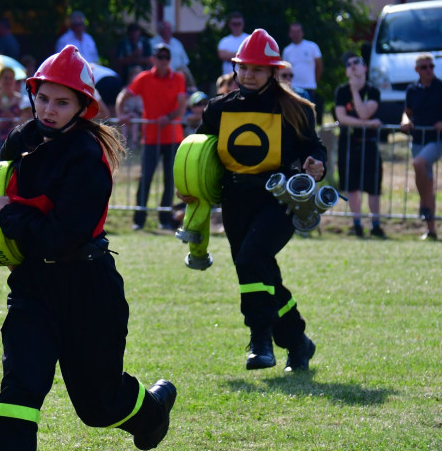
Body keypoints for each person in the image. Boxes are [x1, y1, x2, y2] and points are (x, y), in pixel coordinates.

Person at [0, 45, 177, 451]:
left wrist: (6, 215)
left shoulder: (87, 157)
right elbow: (3, 191)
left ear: (83, 106)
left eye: (61, 102)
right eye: (42, 98)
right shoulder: (23, 140)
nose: (48, 110)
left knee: (97, 405)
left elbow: (63, 234)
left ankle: (148, 412)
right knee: (20, 387)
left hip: (87, 289)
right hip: (33, 290)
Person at [195, 28, 325, 372]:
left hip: (277, 199)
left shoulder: (296, 108)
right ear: (236, 69)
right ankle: (298, 342)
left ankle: (260, 340)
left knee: (252, 257)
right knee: (261, 271)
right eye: (243, 68)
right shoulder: (218, 108)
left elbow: (314, 146)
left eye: (257, 69)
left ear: (272, 71)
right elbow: (197, 155)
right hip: (235, 200)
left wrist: (317, 164)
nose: (249, 75)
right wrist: (189, 185)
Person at [116, 42, 187, 230]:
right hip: (151, 138)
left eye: (166, 57)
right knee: (145, 178)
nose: (163, 61)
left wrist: (169, 117)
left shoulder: (179, 78)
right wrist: (121, 113)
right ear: (153, 59)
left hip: (173, 138)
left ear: (169, 60)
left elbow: (182, 106)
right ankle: (138, 220)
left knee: (170, 181)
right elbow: (124, 95)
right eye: (159, 57)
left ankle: (165, 220)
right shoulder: (144, 78)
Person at [400, 53, 442, 240]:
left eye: (431, 66)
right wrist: (404, 122)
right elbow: (407, 113)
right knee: (428, 183)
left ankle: (424, 205)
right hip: (418, 138)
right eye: (424, 67)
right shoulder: (412, 90)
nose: (429, 70)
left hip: (438, 139)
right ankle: (431, 229)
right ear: (417, 70)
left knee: (419, 164)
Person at [334, 52, 385, 238]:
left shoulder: (373, 91)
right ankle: (357, 224)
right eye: (349, 64)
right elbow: (342, 118)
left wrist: (355, 91)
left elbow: (364, 112)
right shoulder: (341, 91)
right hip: (348, 144)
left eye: (357, 62)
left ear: (365, 68)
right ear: (347, 71)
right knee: (352, 186)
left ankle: (376, 225)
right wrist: (368, 124)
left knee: (373, 187)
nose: (353, 65)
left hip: (369, 144)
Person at [281, 23, 323, 123]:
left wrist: (314, 82)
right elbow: (284, 70)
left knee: (309, 118)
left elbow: (319, 66)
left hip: (309, 88)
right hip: (292, 88)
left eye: (298, 31)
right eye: (293, 32)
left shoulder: (312, 47)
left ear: (302, 33)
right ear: (290, 34)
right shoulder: (287, 50)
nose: (296, 34)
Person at [155, 20, 195, 90]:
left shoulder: (177, 43)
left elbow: (185, 63)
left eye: (170, 29)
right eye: (166, 29)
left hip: (177, 75)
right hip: (158, 75)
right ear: (161, 30)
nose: (168, 31)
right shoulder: (153, 42)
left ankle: (193, 91)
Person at [217, 12, 249, 76]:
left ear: (243, 24)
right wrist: (244, 54)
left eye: (239, 24)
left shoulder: (249, 39)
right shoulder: (224, 41)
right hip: (228, 78)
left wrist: (231, 55)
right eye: (234, 24)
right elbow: (222, 55)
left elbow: (253, 55)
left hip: (246, 77)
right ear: (230, 25)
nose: (236, 26)